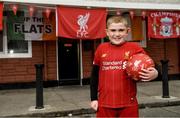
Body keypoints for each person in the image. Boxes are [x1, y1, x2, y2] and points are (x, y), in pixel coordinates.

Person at [90, 15, 158, 117]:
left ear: (127, 31)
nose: (117, 34)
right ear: (107, 32)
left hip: (128, 104)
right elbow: (94, 76)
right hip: (105, 103)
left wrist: (155, 73)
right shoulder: (101, 49)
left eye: (121, 30)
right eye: (113, 30)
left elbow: (151, 65)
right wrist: (93, 98)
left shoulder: (135, 48)